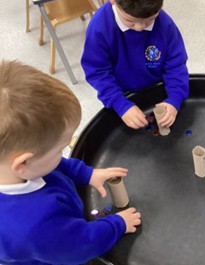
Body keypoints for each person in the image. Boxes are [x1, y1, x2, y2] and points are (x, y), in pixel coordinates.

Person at [0, 60, 142, 265]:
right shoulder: (38, 226)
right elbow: (83, 244)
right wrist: (117, 224)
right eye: (60, 149)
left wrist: (87, 174)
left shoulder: (17, 165)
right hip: (60, 251)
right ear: (22, 163)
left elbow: (52, 165)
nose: (63, 153)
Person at [81, 0, 189, 130]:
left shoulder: (165, 24)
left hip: (160, 90)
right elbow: (97, 72)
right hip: (123, 95)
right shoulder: (99, 29)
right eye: (130, 21)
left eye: (149, 20)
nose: (139, 28)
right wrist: (120, 104)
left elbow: (175, 64)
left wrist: (174, 98)